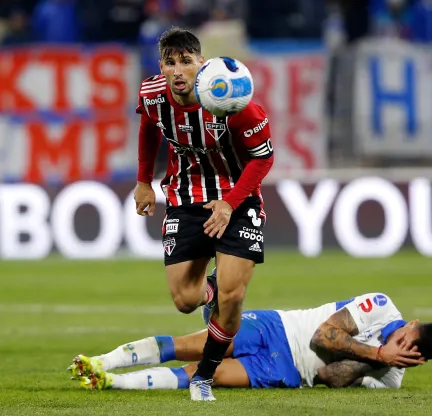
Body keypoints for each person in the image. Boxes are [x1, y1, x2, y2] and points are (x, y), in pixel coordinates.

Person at [133, 28, 275, 401]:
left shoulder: (233, 98)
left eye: (185, 61)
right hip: (185, 196)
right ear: (161, 66)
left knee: (233, 296)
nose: (178, 70)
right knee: (183, 299)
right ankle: (209, 288)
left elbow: (263, 157)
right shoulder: (152, 95)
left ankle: (205, 377)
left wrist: (230, 202)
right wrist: (144, 181)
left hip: (237, 200)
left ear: (201, 62)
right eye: (169, 62)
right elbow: (148, 127)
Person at [68, 285, 432, 391]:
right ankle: (103, 359)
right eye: (404, 336)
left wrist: (379, 360)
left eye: (404, 350)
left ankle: (109, 381)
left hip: (288, 371)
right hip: (279, 327)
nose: (398, 342)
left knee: (210, 374)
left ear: (418, 359)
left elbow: (327, 378)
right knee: (199, 344)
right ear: (410, 324)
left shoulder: (391, 377)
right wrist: (379, 349)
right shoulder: (381, 305)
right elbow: (323, 336)